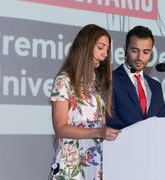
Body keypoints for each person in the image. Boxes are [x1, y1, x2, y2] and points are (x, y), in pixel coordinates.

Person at [48, 24, 121, 180]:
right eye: (101, 47)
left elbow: (101, 125)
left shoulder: (96, 85)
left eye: (107, 50)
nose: (105, 54)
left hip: (95, 163)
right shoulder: (64, 81)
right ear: (86, 46)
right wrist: (100, 132)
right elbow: (60, 128)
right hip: (72, 164)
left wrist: (109, 132)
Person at [106, 25, 165, 130]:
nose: (140, 57)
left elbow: (161, 125)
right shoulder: (110, 80)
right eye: (135, 51)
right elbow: (106, 122)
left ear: (151, 52)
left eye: (146, 52)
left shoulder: (156, 87)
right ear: (125, 48)